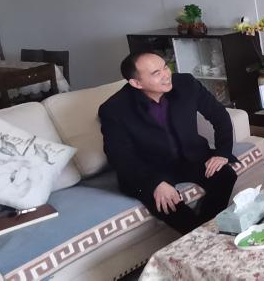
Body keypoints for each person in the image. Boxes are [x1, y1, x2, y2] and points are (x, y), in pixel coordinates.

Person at [99, 51, 238, 234]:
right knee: (167, 204)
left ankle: (209, 232)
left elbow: (219, 115)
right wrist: (155, 183)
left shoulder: (186, 84)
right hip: (149, 169)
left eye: (165, 67)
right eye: (156, 73)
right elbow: (120, 156)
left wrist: (222, 152)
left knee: (225, 175)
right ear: (136, 83)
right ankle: (202, 237)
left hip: (190, 158)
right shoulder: (114, 109)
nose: (166, 75)